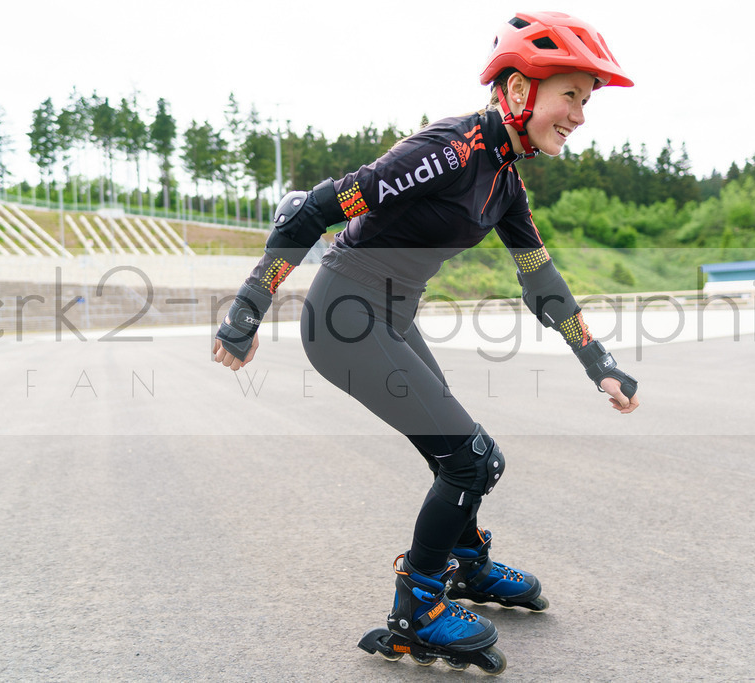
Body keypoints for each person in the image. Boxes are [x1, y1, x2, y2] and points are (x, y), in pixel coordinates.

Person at [212, 10, 640, 673]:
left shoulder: (503, 182)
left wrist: (599, 362)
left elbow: (540, 279)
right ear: (519, 89)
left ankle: (465, 564)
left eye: (587, 100)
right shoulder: (451, 151)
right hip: (346, 316)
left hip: (391, 317)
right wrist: (247, 309)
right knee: (474, 460)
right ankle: (417, 608)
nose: (580, 115)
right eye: (571, 95)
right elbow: (312, 211)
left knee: (457, 452)